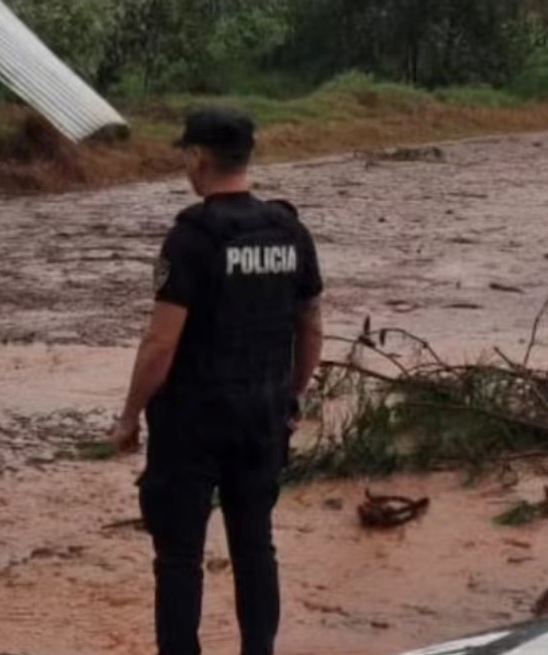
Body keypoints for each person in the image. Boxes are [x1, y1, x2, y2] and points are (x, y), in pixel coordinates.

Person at [107, 107, 325, 655]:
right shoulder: (289, 231)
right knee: (255, 547)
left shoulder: (191, 238)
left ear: (198, 158)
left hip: (193, 425)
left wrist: (130, 415)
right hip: (261, 419)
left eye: (187, 155)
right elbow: (312, 326)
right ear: (246, 158)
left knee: (179, 557)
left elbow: (160, 345)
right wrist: (291, 395)